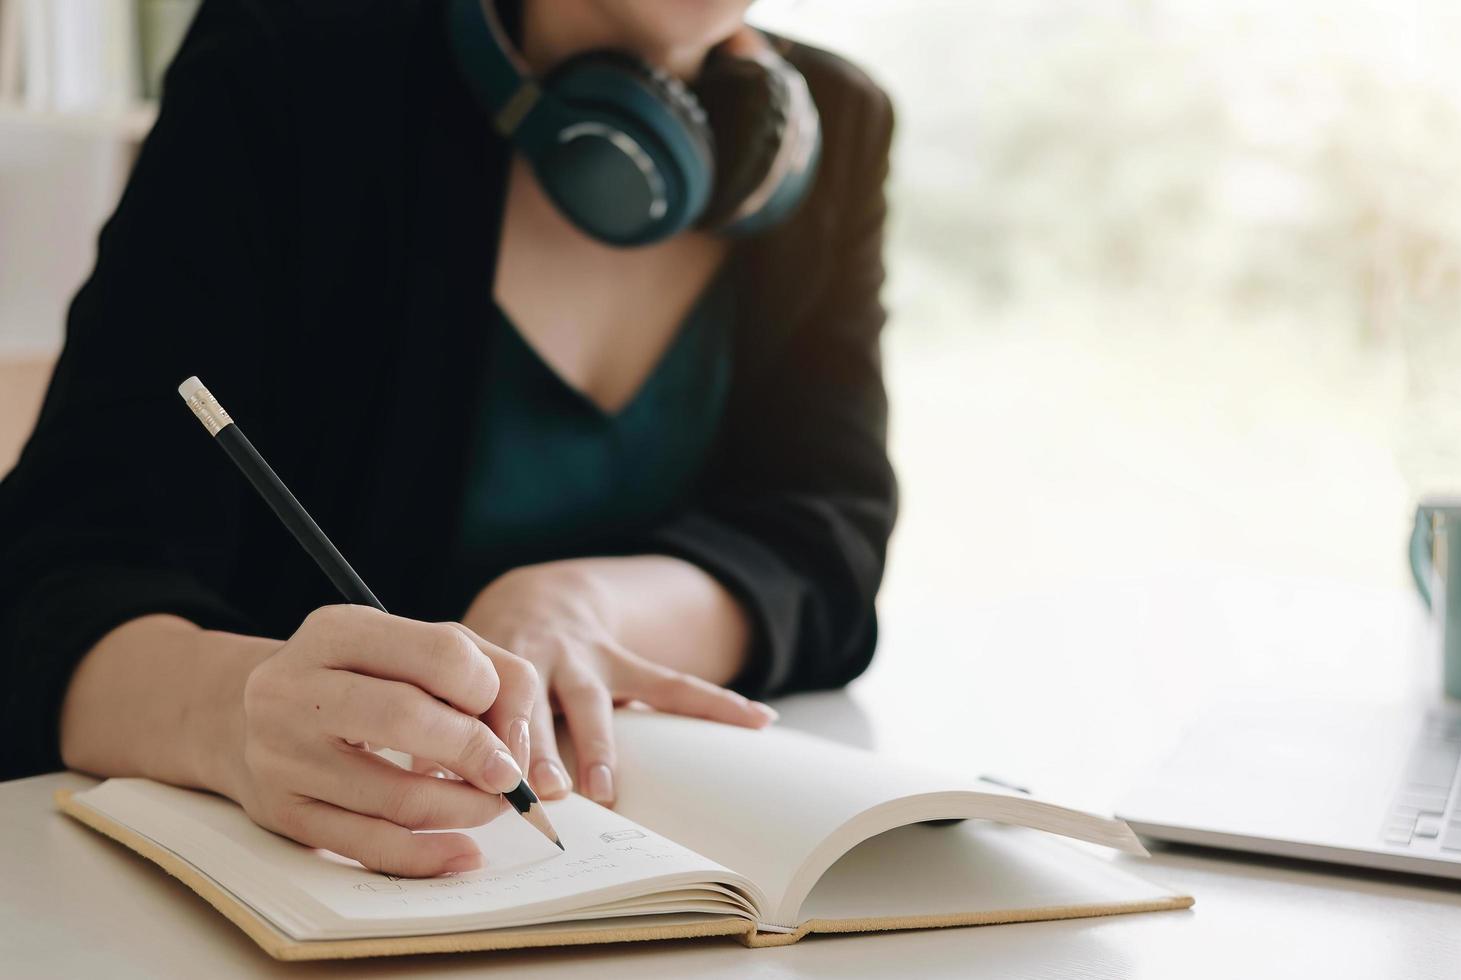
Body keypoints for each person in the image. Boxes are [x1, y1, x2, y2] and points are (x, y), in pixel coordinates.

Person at [0, 0, 896, 878]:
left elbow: (823, 539)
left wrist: (577, 607)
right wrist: (228, 714)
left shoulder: (835, 125)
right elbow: (47, 580)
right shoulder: (282, 64)